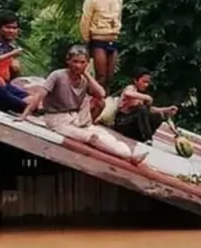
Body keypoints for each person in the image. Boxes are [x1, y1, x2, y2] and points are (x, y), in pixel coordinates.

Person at [19, 46, 148, 165]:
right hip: (57, 119)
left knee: (105, 134)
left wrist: (85, 74)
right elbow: (39, 95)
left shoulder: (84, 79)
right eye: (75, 62)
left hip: (76, 117)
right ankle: (128, 157)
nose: (78, 65)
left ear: (87, 64)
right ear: (68, 61)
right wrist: (25, 115)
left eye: (82, 62)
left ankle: (129, 155)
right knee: (91, 138)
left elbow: (101, 94)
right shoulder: (57, 75)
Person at [80, 0, 124, 88]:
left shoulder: (118, 0)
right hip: (98, 39)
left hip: (113, 38)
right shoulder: (92, 1)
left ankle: (106, 99)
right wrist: (86, 43)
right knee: (101, 76)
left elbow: (119, 18)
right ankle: (97, 101)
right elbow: (85, 21)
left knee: (110, 76)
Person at [113, 69, 177, 143]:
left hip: (134, 126)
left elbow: (150, 110)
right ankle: (147, 137)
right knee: (142, 109)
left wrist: (167, 109)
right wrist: (146, 97)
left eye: (147, 82)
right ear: (136, 81)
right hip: (122, 122)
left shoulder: (142, 95)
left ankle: (142, 137)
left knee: (157, 115)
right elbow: (128, 93)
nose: (146, 85)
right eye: (144, 82)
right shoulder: (131, 88)